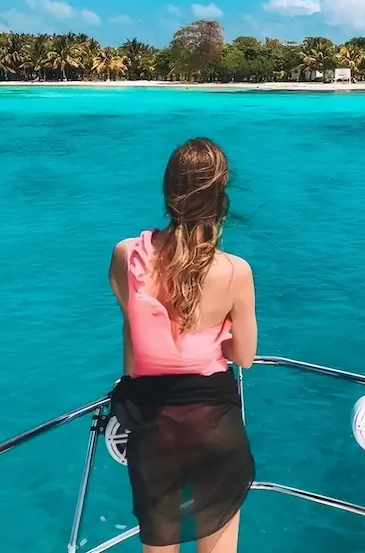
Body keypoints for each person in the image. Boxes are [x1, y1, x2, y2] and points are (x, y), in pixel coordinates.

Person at [108, 137, 257, 553]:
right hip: (215, 424)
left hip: (152, 424)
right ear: (220, 196)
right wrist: (218, 340)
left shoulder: (126, 255)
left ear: (169, 191)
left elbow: (133, 329)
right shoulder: (235, 272)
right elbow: (244, 356)